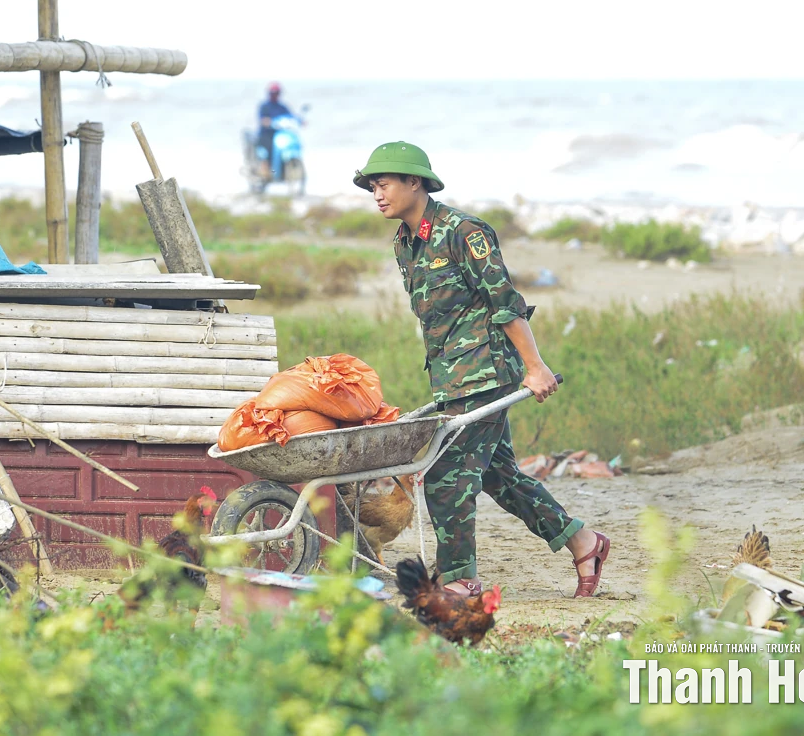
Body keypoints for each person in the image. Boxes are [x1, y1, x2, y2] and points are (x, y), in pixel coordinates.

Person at [353, 141, 610, 599]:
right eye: (372, 186)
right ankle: (583, 542)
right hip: (452, 378)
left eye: (385, 183)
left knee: (445, 473)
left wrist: (536, 368)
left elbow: (505, 303)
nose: (377, 193)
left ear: (415, 182)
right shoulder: (404, 244)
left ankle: (459, 580)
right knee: (498, 475)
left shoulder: (464, 232)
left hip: (489, 372)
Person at [256, 82, 296, 180]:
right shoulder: (264, 106)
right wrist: (267, 122)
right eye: (273, 93)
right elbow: (262, 119)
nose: (275, 95)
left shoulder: (282, 107)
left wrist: (300, 120)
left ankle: (283, 171)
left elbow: (291, 116)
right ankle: (268, 171)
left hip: (280, 134)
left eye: (276, 93)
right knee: (270, 150)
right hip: (266, 134)